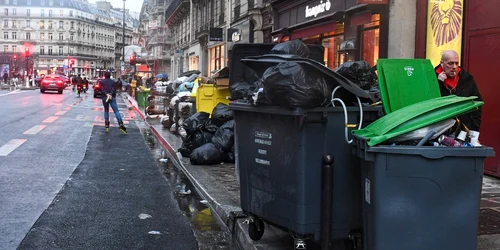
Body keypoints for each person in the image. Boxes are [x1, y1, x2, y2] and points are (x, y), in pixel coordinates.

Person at [435, 50, 483, 132]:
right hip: (440, 129)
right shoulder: (433, 78)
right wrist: (439, 83)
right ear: (442, 63)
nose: (454, 67)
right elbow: (430, 102)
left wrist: (474, 128)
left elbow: (477, 103)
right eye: (450, 63)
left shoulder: (467, 79)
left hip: (463, 130)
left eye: (456, 63)